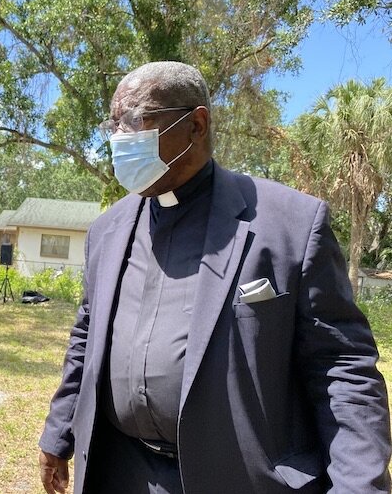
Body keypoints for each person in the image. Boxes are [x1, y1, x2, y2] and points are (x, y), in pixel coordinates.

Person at [38, 61, 391, 494]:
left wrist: (359, 486)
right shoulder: (106, 231)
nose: (119, 139)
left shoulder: (290, 226)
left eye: (135, 121)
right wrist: (59, 434)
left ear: (197, 124)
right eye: (114, 124)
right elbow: (86, 336)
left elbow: (342, 369)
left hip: (240, 479)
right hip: (122, 472)